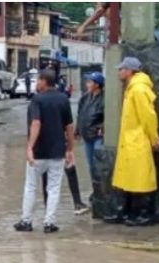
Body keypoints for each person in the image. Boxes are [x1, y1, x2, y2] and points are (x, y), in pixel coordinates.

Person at [14, 69, 75, 234]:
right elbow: (69, 126)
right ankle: (49, 223)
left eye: (37, 80)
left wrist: (29, 147)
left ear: (43, 81)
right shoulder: (63, 99)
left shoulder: (37, 100)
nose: (36, 83)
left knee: (31, 186)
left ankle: (26, 221)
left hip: (39, 152)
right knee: (54, 188)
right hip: (57, 152)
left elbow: (36, 123)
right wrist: (70, 149)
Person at [103, 57, 159, 227]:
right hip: (130, 141)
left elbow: (148, 116)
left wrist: (154, 137)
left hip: (137, 141)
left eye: (122, 69)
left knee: (140, 178)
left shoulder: (138, 90)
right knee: (129, 177)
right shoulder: (132, 89)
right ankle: (127, 211)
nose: (119, 71)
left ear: (130, 71)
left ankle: (144, 214)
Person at [76, 72, 105, 203]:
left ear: (97, 85)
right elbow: (80, 115)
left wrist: (102, 126)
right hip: (87, 136)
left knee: (98, 165)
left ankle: (101, 192)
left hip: (97, 136)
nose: (87, 84)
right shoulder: (85, 98)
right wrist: (77, 131)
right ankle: (96, 190)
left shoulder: (104, 99)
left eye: (90, 82)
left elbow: (108, 116)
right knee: (91, 166)